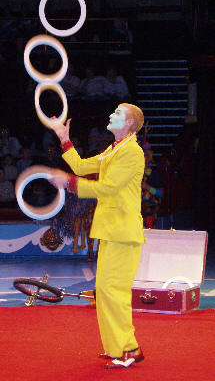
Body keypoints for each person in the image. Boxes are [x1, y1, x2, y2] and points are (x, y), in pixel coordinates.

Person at [49, 103, 145, 369]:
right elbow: (80, 166)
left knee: (112, 291)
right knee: (105, 291)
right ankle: (120, 347)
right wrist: (64, 140)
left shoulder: (132, 152)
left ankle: (128, 349)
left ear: (129, 124)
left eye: (117, 113)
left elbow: (109, 187)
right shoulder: (114, 149)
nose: (111, 115)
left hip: (123, 231)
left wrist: (68, 183)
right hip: (112, 230)